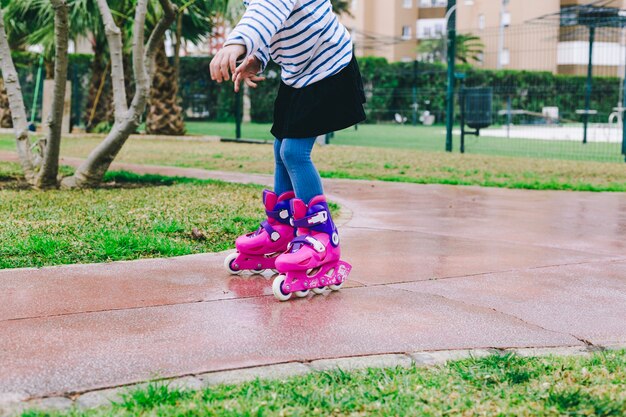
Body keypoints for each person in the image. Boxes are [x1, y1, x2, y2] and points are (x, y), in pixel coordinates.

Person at [214, 0, 365, 301]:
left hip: (328, 70)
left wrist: (236, 42)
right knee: (281, 145)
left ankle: (322, 238)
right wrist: (258, 57)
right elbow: (277, 25)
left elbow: (267, 11)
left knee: (294, 152)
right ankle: (282, 228)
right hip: (298, 74)